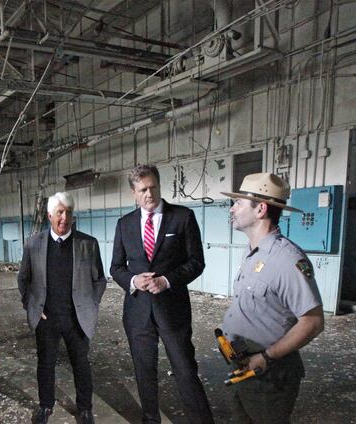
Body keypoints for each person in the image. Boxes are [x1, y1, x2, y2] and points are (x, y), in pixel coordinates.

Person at [110, 164, 213, 424]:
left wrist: (167, 281)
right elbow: (116, 267)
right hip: (137, 311)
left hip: (172, 309)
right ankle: (150, 420)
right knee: (144, 372)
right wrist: (133, 280)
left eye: (153, 187)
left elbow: (196, 262)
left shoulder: (182, 217)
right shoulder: (124, 225)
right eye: (143, 189)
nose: (149, 193)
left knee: (185, 369)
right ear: (134, 192)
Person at [221, 173, 324, 423]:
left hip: (268, 371)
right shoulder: (253, 253)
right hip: (243, 362)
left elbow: (313, 322)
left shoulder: (287, 259)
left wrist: (266, 357)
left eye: (239, 203)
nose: (233, 209)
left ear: (261, 209)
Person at [17, 192, 107, 424]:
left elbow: (99, 280)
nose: (64, 217)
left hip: (77, 318)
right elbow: (23, 280)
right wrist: (32, 306)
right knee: (45, 364)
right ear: (49, 215)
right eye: (59, 212)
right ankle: (45, 406)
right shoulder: (33, 244)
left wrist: (91, 304)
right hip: (46, 318)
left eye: (68, 212)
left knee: (81, 364)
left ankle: (85, 408)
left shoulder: (88, 244)